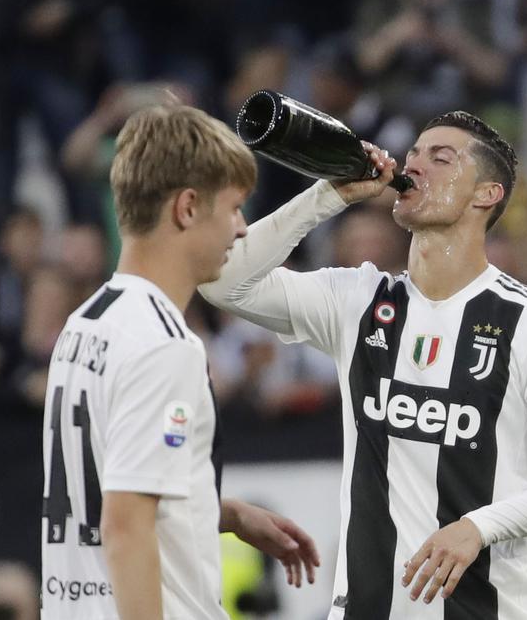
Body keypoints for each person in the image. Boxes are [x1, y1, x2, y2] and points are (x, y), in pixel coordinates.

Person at [200, 111, 527, 618]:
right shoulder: (358, 300)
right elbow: (221, 282)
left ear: (487, 195)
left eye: (442, 159)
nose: (416, 165)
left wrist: (477, 527)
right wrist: (328, 195)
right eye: (414, 153)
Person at [41, 105, 321, 620]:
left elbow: (106, 490)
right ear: (188, 207)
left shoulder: (86, 323)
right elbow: (126, 529)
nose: (241, 229)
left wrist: (223, 511)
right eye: (235, 207)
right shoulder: (166, 345)